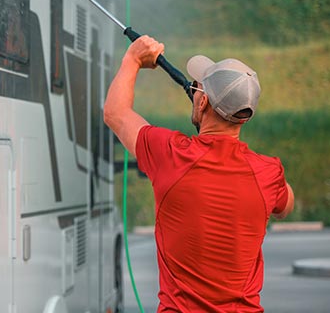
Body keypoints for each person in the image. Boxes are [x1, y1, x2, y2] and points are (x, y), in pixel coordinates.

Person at [104, 35, 295, 312]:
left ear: (202, 102)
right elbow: (285, 205)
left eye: (196, 88)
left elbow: (116, 113)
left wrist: (132, 59)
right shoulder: (268, 172)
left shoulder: (170, 154)